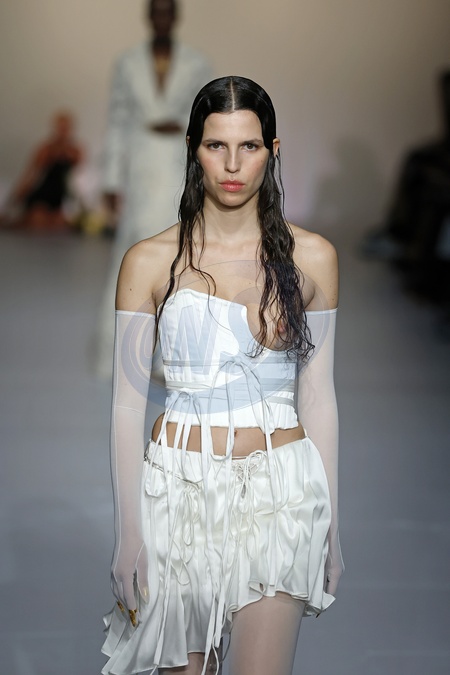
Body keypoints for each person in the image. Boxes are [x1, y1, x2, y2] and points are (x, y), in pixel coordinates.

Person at [101, 76, 344, 675]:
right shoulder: (150, 262)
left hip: (280, 496)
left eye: (249, 146)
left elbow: (318, 396)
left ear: (273, 150)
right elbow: (127, 404)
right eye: (216, 146)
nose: (233, 165)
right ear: (193, 148)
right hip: (176, 494)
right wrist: (129, 531)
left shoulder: (313, 258)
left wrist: (333, 525)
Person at [93, 0, 212, 378]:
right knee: (132, 255)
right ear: (148, 16)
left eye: (167, 10)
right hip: (141, 167)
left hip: (178, 163)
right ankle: (119, 355)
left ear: (176, 16)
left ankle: (170, 359)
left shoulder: (196, 63)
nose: (162, 17)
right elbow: (117, 119)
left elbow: (205, 116)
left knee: (178, 255)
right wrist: (111, 178)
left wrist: (204, 172)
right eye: (156, 11)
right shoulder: (127, 63)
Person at [1, 111, 82, 232]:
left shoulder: (75, 151)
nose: (63, 131)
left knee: (59, 226)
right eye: (61, 128)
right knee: (37, 222)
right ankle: (9, 221)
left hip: (58, 198)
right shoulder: (45, 149)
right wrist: (13, 200)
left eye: (66, 128)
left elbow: (77, 180)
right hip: (41, 196)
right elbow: (30, 175)